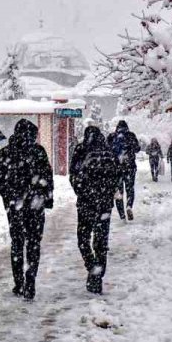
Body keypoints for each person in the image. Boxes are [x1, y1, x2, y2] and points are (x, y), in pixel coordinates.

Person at [0, 119, 54, 301]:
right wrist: (46, 199)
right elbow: (47, 178)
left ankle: (19, 282)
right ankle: (30, 281)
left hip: (15, 207)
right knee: (33, 243)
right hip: (35, 206)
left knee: (17, 244)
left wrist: (9, 197)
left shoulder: (4, 154)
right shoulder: (38, 152)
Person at [71, 125, 122, 294]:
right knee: (101, 243)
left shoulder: (81, 149)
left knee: (83, 239)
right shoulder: (108, 151)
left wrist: (82, 192)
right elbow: (117, 175)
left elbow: (73, 174)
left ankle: (92, 267)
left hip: (86, 202)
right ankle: (97, 276)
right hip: (105, 204)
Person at [107, 121, 140, 221]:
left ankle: (122, 215)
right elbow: (137, 149)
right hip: (130, 167)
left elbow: (106, 150)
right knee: (130, 189)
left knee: (118, 192)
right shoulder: (131, 135)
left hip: (117, 168)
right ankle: (129, 206)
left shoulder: (112, 136)